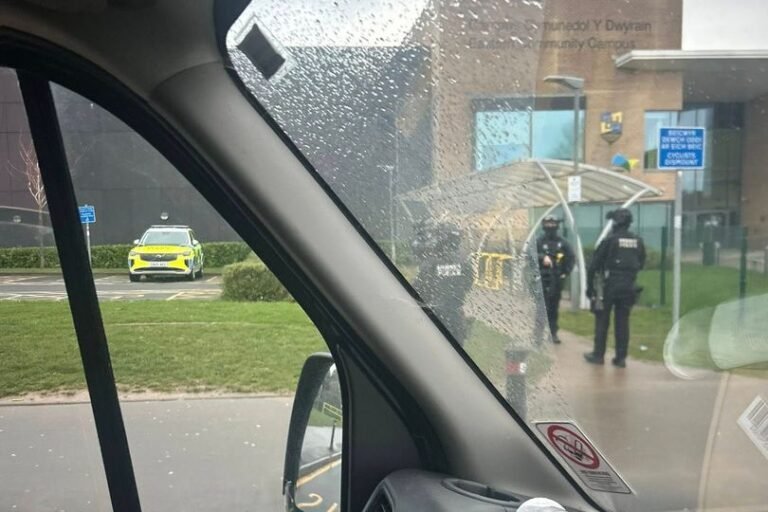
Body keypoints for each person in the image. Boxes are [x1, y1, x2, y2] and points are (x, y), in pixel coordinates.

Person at [584, 208, 646, 368]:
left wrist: (590, 288)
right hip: (629, 285)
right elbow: (641, 263)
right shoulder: (638, 241)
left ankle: (598, 355)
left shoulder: (609, 241)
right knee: (623, 322)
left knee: (602, 320)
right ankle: (621, 358)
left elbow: (594, 266)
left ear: (615, 222)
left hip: (609, 285)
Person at [411, 220, 473, 346]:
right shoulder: (465, 263)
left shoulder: (431, 264)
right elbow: (467, 285)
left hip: (435, 318)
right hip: (456, 318)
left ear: (440, 239)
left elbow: (417, 292)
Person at [535, 217, 574, 344]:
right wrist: (542, 258)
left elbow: (571, 258)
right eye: (548, 223)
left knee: (554, 307)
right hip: (542, 279)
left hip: (556, 279)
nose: (550, 225)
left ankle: (553, 333)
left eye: (553, 223)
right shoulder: (539, 241)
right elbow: (530, 256)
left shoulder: (562, 243)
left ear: (557, 225)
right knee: (541, 308)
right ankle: (538, 336)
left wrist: (565, 272)